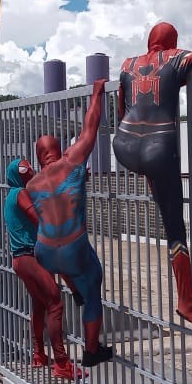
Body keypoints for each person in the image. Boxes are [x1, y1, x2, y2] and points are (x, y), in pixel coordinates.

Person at [113, 21, 192, 334]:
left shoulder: (127, 64)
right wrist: (182, 78)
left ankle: (154, 183)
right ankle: (187, 302)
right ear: (172, 40)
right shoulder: (178, 57)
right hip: (159, 147)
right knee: (175, 227)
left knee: (157, 184)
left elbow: (122, 106)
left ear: (149, 41)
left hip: (124, 144)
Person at [26, 78, 114, 367]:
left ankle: (71, 291)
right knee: (93, 283)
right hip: (74, 246)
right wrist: (97, 91)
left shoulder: (33, 185)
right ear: (60, 148)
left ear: (39, 158)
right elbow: (91, 127)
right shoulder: (71, 161)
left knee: (60, 278)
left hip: (45, 251)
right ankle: (91, 350)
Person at [4, 158, 84, 380]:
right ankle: (61, 363)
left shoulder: (12, 195)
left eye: (29, 167)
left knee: (40, 305)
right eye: (25, 169)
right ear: (17, 174)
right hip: (29, 257)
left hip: (25, 259)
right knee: (55, 303)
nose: (30, 171)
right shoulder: (20, 193)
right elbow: (39, 219)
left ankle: (39, 354)